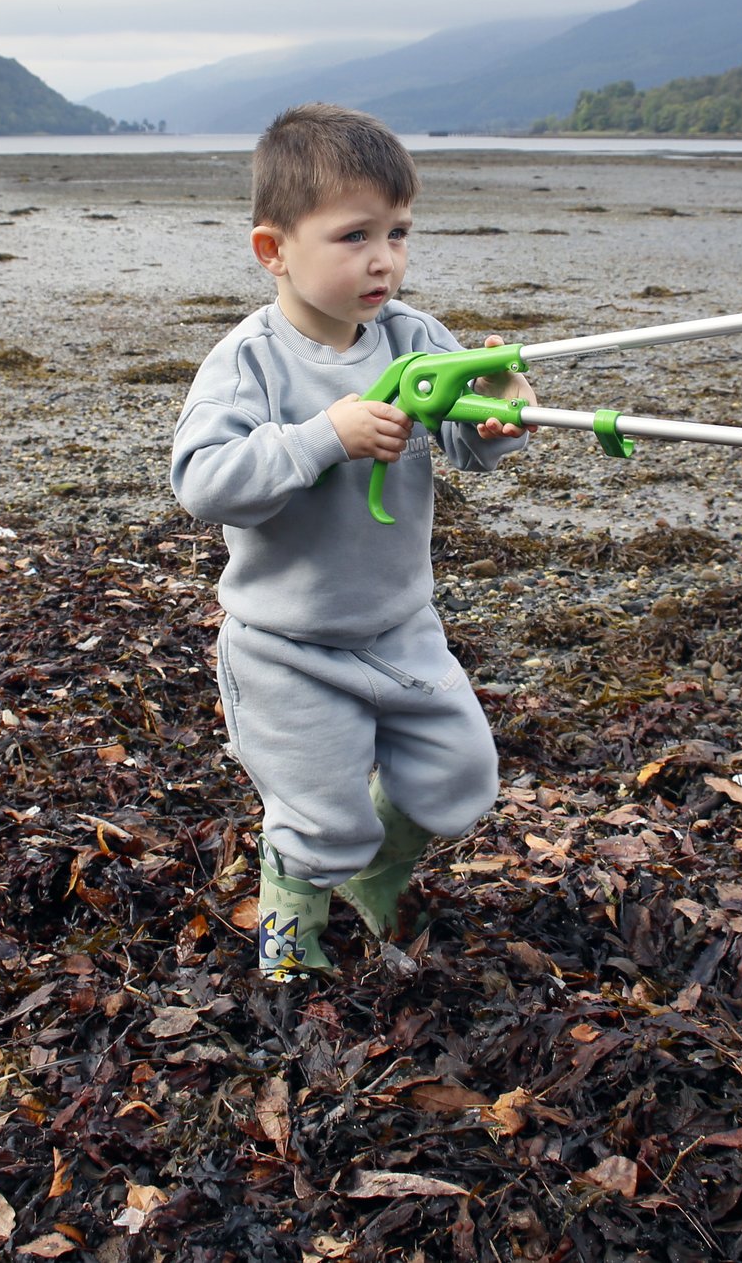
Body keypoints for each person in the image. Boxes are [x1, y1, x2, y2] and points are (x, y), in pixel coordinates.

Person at [170, 103, 538, 980]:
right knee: (321, 822)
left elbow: (466, 446)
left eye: (399, 232)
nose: (384, 259)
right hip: (286, 646)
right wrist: (323, 435)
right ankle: (289, 951)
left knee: (460, 782)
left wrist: (498, 415)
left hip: (401, 628)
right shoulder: (248, 361)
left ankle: (374, 875)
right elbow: (203, 482)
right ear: (274, 250)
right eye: (354, 236)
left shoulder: (414, 338)